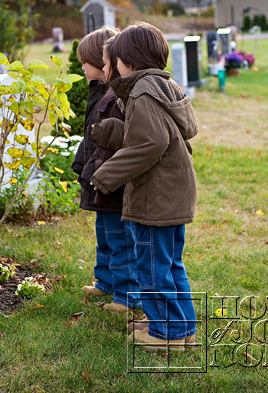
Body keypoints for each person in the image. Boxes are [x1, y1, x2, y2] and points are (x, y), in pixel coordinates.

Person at [90, 22, 198, 351]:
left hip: (156, 195)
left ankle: (167, 335)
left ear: (129, 61)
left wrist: (106, 176)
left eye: (117, 59)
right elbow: (156, 134)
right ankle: (180, 327)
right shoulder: (164, 86)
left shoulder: (142, 91)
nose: (115, 66)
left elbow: (151, 143)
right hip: (171, 192)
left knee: (151, 267)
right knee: (167, 264)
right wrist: (115, 131)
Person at [71, 27, 141, 313]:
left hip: (112, 180)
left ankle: (127, 295)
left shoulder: (116, 97)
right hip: (97, 176)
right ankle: (106, 281)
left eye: (87, 61)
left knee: (119, 237)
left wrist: (100, 173)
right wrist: (81, 165)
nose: (83, 67)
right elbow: (91, 137)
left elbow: (117, 142)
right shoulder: (99, 92)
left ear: (105, 62)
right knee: (104, 233)